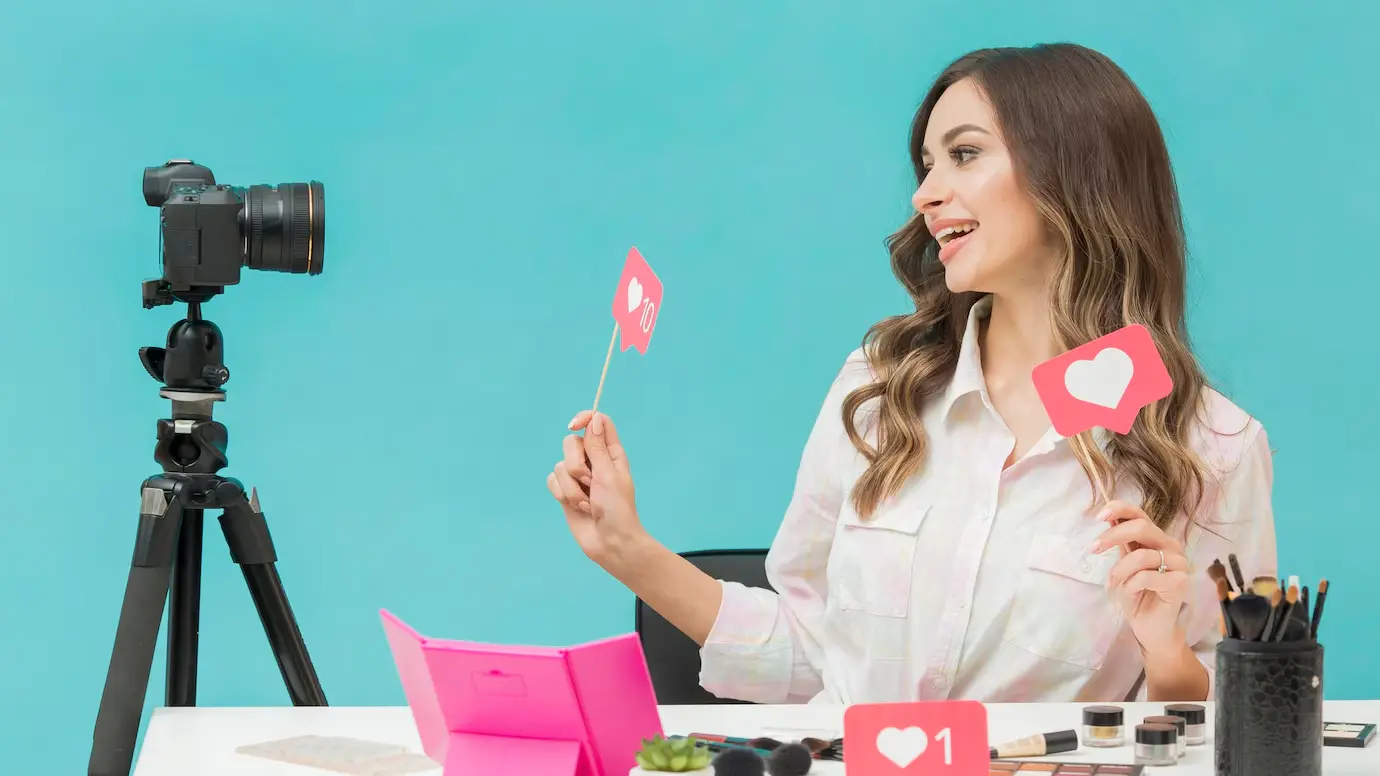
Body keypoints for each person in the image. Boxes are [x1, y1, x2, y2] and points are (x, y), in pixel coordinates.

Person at [546, 43, 1277, 705]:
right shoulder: (878, 387)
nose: (924, 195)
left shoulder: (1213, 445)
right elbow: (808, 654)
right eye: (927, 165)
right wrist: (627, 548)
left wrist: (1166, 651)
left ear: (1073, 169)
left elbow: (1235, 727)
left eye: (964, 155)